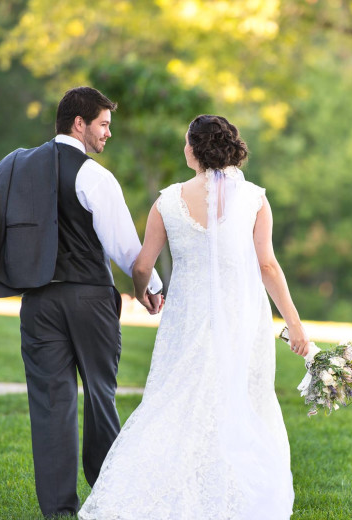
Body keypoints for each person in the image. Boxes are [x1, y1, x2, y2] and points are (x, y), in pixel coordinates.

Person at [78, 115, 310, 519]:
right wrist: (294, 322)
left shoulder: (167, 201)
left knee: (176, 398)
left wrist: (144, 296)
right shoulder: (254, 198)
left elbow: (141, 265)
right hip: (240, 318)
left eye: (186, 142)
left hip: (186, 319)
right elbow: (268, 266)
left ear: (194, 149)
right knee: (239, 399)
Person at [0, 86, 164, 518]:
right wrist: (153, 287)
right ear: (79, 124)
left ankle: (59, 511)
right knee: (101, 398)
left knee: (52, 403)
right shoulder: (94, 176)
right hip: (89, 299)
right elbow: (126, 247)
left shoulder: (18, 167)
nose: (108, 134)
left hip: (38, 304)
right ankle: (111, 500)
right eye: (104, 125)